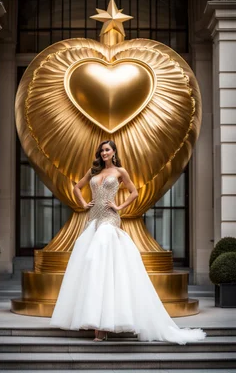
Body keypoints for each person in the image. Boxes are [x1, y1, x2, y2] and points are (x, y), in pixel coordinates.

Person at [50, 140, 206, 344]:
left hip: (109, 219)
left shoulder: (120, 171)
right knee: (93, 266)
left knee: (98, 258)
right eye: (101, 150)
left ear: (114, 152)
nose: (104, 152)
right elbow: (77, 187)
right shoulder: (94, 171)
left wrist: (119, 206)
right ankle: (98, 322)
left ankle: (102, 327)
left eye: (107, 150)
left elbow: (135, 192)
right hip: (93, 219)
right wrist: (83, 204)